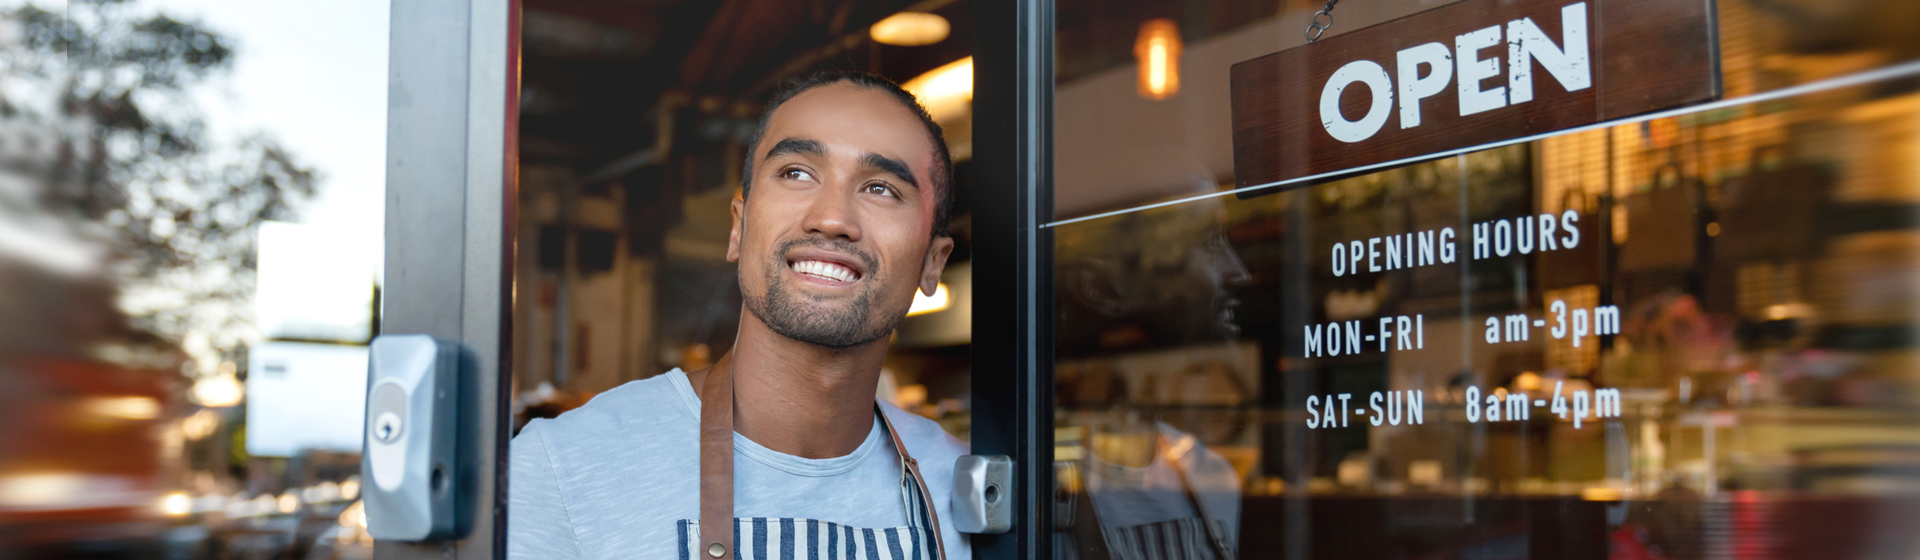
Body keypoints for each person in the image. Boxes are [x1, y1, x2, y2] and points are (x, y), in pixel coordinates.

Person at [509, 72, 968, 560]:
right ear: (737, 228)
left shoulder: (961, 485)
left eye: (880, 188)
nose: (832, 218)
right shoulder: (562, 470)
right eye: (796, 172)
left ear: (932, 263)